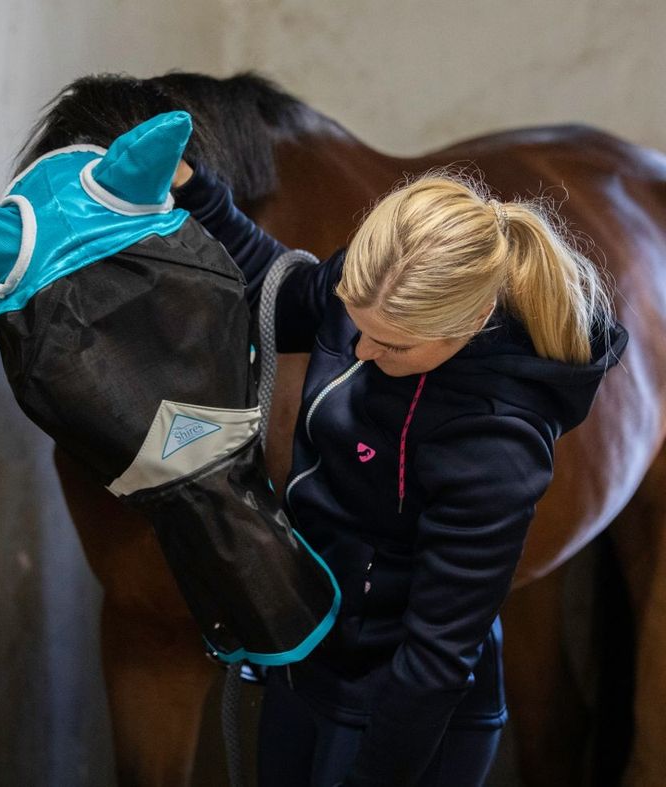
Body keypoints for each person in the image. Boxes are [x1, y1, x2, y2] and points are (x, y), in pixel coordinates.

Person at [170, 159, 627, 787]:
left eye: (393, 346)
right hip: (313, 663)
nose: (359, 351)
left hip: (403, 709)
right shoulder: (374, 298)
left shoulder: (494, 448)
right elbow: (275, 289)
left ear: (467, 326)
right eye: (356, 325)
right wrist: (194, 190)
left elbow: (436, 660)